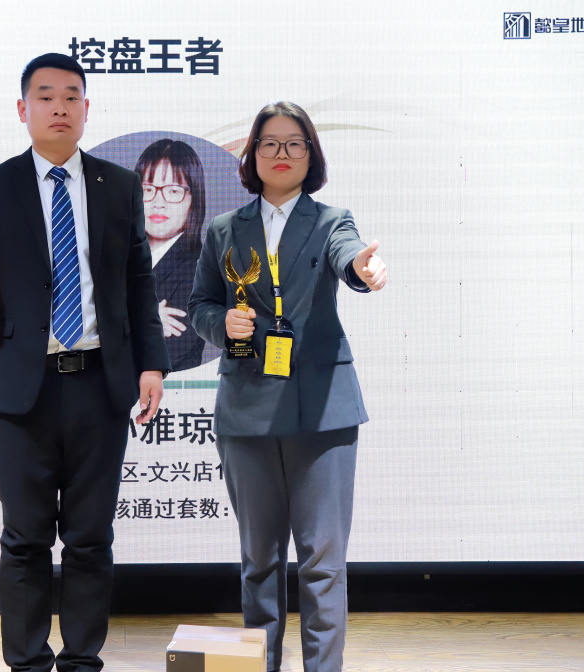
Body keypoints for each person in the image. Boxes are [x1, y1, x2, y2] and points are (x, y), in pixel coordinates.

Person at [0, 53, 170, 672]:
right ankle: (28, 663)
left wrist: (151, 364)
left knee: (90, 538)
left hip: (99, 383)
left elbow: (138, 281)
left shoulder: (118, 185)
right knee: (25, 537)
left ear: (87, 108)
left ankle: (82, 660)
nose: (59, 107)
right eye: (45, 96)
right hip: (20, 390)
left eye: (71, 96)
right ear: (23, 109)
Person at [187, 101, 386, 672]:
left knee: (323, 561)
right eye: (269, 143)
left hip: (322, 412)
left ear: (310, 154)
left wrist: (363, 271)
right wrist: (221, 324)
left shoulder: (332, 221)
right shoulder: (223, 229)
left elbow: (348, 258)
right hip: (246, 410)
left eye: (294, 143)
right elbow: (200, 305)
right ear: (252, 155)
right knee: (259, 561)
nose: (281, 153)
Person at [135, 139, 207, 371]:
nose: (158, 203)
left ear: (193, 200)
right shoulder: (116, 258)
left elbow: (159, 356)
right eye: (147, 190)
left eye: (173, 191)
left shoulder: (202, 270)